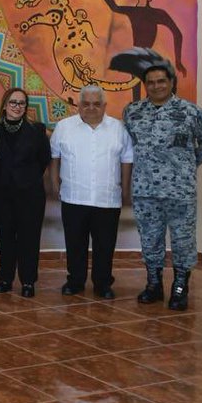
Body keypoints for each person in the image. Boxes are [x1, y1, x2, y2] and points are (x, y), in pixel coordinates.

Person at [123, 62, 202, 310]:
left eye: (161, 81)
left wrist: (186, 165)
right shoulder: (132, 112)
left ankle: (179, 288)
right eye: (151, 82)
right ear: (146, 85)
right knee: (150, 240)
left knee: (183, 241)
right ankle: (154, 284)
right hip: (145, 191)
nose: (156, 86)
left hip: (180, 193)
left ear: (171, 82)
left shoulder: (191, 112)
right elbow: (133, 146)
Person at [50, 85, 133, 300]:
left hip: (107, 198)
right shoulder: (64, 127)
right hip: (74, 197)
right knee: (75, 243)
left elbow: (126, 161)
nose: (91, 108)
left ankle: (103, 283)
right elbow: (55, 157)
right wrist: (54, 184)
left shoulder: (119, 129)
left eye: (97, 104)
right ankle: (75, 281)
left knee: (104, 245)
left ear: (104, 105)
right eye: (86, 103)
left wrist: (125, 190)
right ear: (78, 105)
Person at [0, 87, 51, 297]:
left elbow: (44, 160)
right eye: (13, 102)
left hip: (30, 194)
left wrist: (27, 178)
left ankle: (27, 281)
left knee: (29, 238)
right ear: (5, 105)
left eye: (22, 103)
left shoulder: (37, 130)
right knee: (5, 238)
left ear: (26, 107)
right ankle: (5, 278)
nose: (17, 107)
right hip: (1, 195)